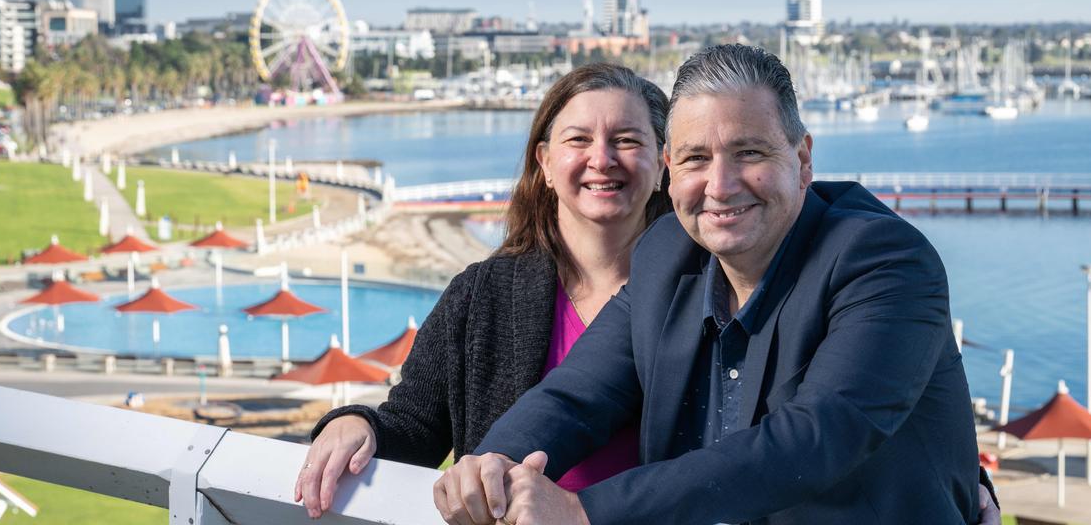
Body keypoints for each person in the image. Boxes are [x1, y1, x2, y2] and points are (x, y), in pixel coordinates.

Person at [436, 44, 991, 524]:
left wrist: (585, 513)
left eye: (749, 152)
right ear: (671, 170)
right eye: (697, 158)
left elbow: (815, 439)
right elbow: (578, 394)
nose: (720, 186)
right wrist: (495, 463)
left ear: (801, 160)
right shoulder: (665, 253)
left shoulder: (885, 263)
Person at [295, 63, 672, 518]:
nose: (602, 158)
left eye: (627, 140)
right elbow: (415, 427)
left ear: (662, 165)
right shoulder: (481, 295)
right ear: (546, 164)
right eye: (578, 139)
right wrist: (358, 423)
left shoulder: (703, 295)